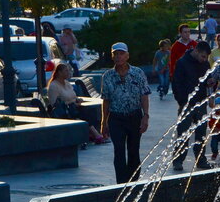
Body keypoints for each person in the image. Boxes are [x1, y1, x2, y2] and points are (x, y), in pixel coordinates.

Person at [100, 43, 151, 183]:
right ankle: (121, 184)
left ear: (127, 56)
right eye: (115, 54)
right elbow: (106, 100)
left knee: (134, 151)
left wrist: (145, 116)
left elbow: (144, 95)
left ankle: (133, 182)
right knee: (119, 151)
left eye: (121, 54)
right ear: (112, 56)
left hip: (134, 116)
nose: (118, 57)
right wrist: (103, 122)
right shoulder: (108, 76)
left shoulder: (137, 73)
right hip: (116, 118)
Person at [172, 41, 214, 171]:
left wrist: (209, 82)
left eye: (206, 57)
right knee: (183, 133)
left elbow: (207, 79)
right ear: (196, 51)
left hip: (201, 102)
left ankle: (201, 160)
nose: (204, 59)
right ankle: (178, 161)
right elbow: (176, 83)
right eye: (202, 56)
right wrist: (182, 101)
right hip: (187, 103)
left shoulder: (205, 64)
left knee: (201, 134)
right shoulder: (182, 63)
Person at [48, 63, 105, 144]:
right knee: (84, 113)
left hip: (74, 108)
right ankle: (96, 135)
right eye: (66, 71)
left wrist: (77, 100)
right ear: (59, 73)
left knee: (89, 111)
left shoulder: (66, 83)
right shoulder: (54, 86)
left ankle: (93, 134)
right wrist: (71, 103)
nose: (68, 73)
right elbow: (54, 104)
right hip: (65, 111)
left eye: (68, 71)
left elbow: (72, 95)